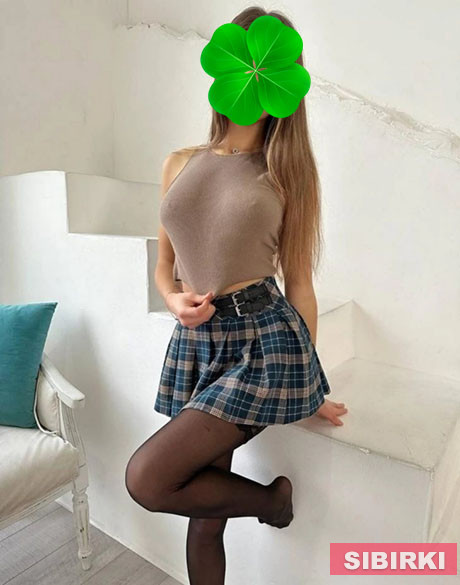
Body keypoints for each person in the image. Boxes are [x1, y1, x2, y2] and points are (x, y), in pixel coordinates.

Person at [125, 6, 348, 584]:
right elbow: (165, 264)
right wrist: (172, 298)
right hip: (198, 343)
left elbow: (299, 285)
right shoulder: (180, 163)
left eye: (267, 63)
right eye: (244, 59)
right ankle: (270, 502)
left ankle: (273, 502)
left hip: (261, 344)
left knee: (148, 478)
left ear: (283, 79)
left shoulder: (285, 174)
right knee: (203, 522)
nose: (252, 74)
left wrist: (309, 385)